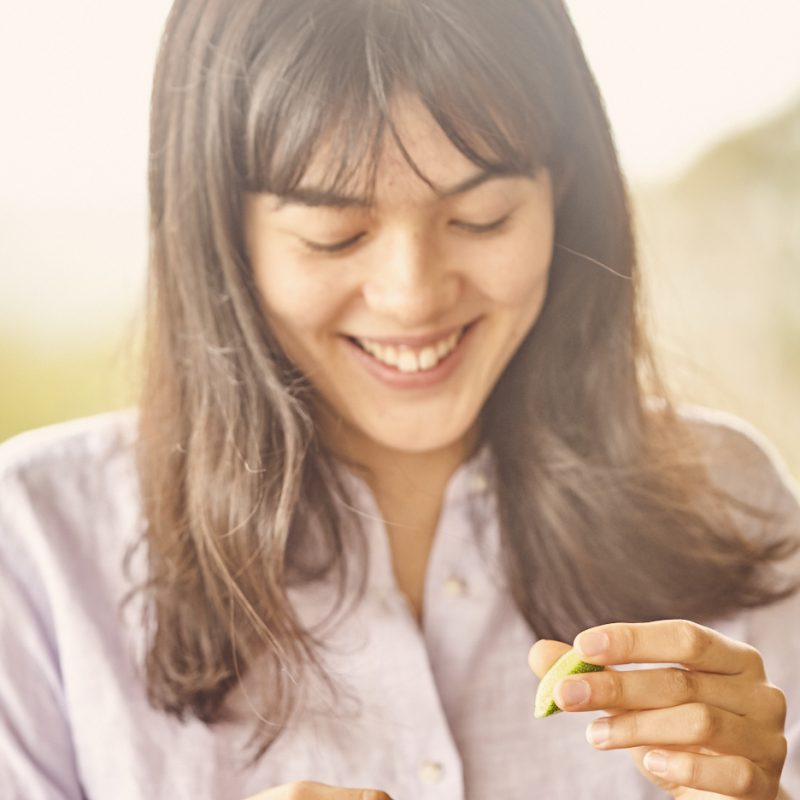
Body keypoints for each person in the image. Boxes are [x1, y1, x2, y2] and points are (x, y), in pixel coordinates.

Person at [1, 0, 798, 798]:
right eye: (334, 234)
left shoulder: (729, 499)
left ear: (566, 191)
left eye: (482, 218)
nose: (413, 296)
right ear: (221, 231)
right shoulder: (36, 544)